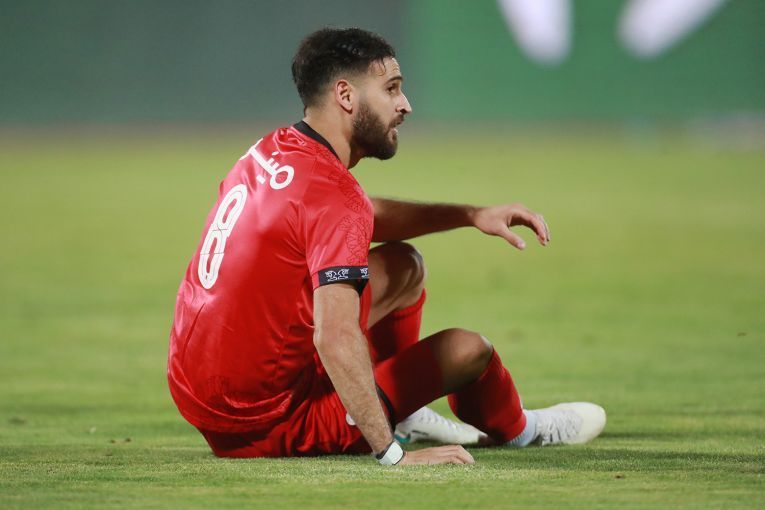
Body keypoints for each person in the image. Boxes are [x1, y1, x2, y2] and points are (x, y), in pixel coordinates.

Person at [167, 27, 606, 465]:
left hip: (200, 390)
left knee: (403, 265)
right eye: (392, 89)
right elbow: (334, 336)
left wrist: (471, 214)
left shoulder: (273, 150)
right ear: (345, 95)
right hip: (268, 424)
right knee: (467, 351)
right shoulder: (334, 197)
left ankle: (402, 411)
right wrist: (392, 456)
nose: (405, 105)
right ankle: (521, 431)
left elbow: (359, 214)